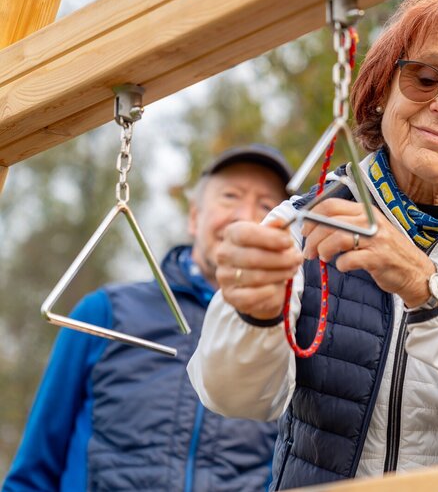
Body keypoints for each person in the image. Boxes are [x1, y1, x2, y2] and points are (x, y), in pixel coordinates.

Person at [187, 0, 438, 489]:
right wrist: (253, 314)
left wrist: (431, 291)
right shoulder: (305, 219)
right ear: (384, 92)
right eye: (424, 78)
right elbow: (235, 398)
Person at [4, 144, 292, 491]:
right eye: (230, 196)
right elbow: (33, 473)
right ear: (194, 217)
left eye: (266, 205)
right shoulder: (104, 314)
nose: (246, 216)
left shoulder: (291, 338)